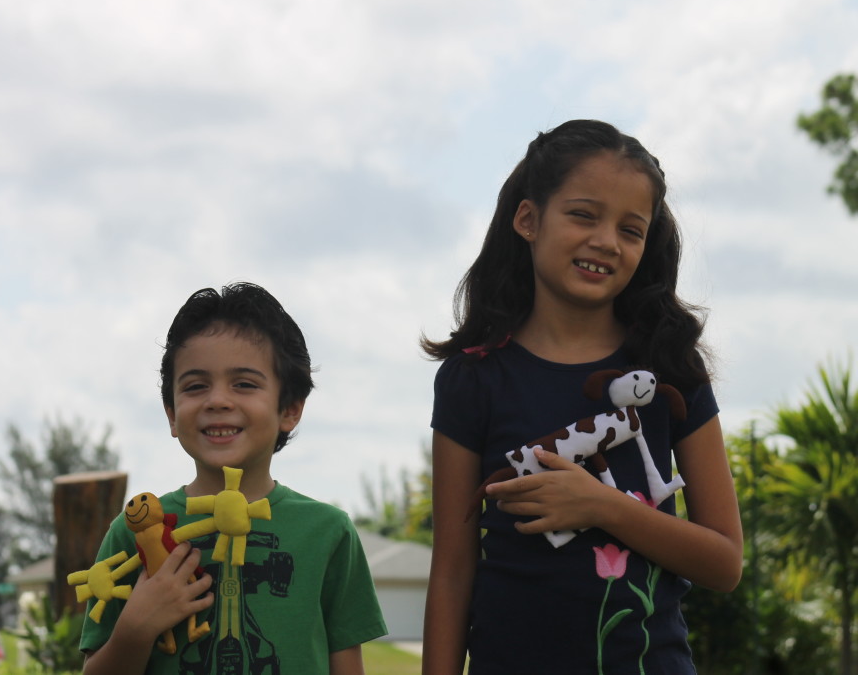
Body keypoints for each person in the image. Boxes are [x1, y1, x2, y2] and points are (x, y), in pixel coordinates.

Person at [421, 120, 743, 674]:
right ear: (528, 219)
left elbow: (724, 563)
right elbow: (452, 571)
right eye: (583, 214)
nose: (605, 242)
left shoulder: (670, 371)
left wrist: (601, 506)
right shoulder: (471, 378)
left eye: (631, 229)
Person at [80, 282, 387, 675]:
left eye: (244, 383)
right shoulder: (133, 531)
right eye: (195, 386)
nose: (218, 400)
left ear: (290, 409)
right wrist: (136, 629)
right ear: (172, 413)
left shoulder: (329, 533)